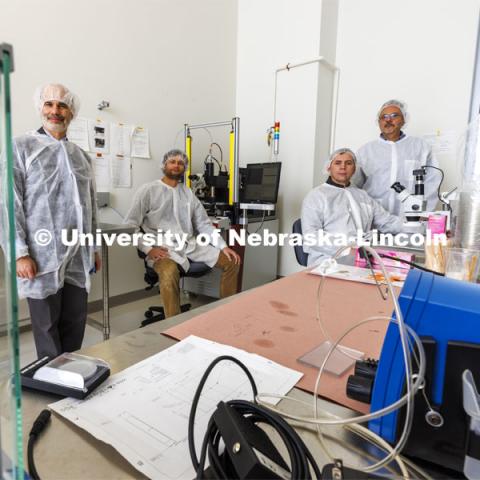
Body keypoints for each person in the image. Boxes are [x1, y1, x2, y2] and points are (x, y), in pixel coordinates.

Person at [14, 83, 100, 359]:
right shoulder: (21, 147)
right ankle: (52, 383)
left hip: (78, 255)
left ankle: (70, 374)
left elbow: (91, 205)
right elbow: (9, 203)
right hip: (41, 255)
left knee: (75, 320)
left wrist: (93, 248)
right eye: (49, 104)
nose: (55, 111)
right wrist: (20, 253)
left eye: (62, 105)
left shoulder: (80, 156)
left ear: (71, 112)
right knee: (47, 325)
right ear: (40, 108)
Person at [124, 149, 240, 318]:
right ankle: (173, 324)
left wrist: (223, 246)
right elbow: (129, 226)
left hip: (189, 246)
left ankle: (227, 314)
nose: (176, 165)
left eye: (180, 163)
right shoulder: (148, 191)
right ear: (164, 165)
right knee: (169, 271)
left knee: (232, 261)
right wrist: (149, 249)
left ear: (184, 168)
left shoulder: (188, 194)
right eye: (172, 161)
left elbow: (204, 224)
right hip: (161, 249)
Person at [301, 148, 405, 267]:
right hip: (327, 261)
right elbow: (311, 236)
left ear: (354, 168)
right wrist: (348, 251)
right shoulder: (316, 196)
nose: (343, 167)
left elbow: (387, 221)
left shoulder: (362, 195)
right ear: (329, 167)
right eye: (337, 163)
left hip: (362, 259)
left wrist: (417, 226)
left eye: (348, 163)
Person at [353, 99, 440, 216]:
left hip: (410, 216)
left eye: (394, 115)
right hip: (374, 216)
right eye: (384, 117)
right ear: (378, 122)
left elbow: (432, 182)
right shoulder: (366, 151)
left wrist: (424, 212)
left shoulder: (421, 147)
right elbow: (354, 185)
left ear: (404, 120)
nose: (388, 120)